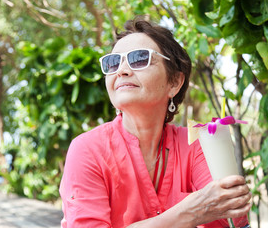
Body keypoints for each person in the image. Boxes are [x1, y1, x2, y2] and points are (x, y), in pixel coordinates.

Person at [59, 17, 251, 228]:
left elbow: (229, 216)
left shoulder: (196, 143)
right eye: (113, 62)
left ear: (174, 82)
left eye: (140, 58)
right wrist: (190, 213)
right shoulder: (88, 149)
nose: (121, 70)